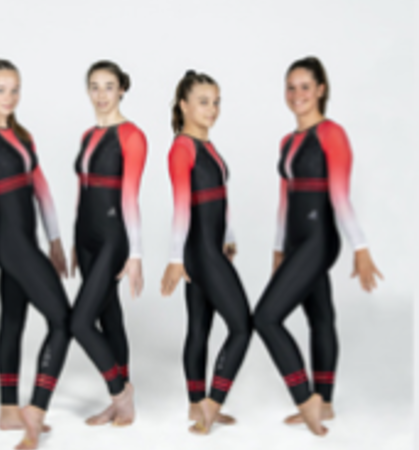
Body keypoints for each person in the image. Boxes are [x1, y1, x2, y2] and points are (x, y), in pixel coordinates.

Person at [253, 56, 384, 437]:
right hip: (296, 241)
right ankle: (324, 401)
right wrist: (278, 251)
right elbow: (284, 201)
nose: (297, 94)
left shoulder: (332, 134)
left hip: (320, 238)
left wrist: (360, 248)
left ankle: (305, 398)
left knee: (265, 317)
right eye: (291, 87)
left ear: (321, 90)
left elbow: (341, 197)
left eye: (305, 87)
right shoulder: (287, 141)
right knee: (320, 316)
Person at [0, 58, 71, 450]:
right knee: (63, 320)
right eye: (1, 89)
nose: (9, 97)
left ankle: (8, 409)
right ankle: (35, 411)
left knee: (12, 318)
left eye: (15, 89)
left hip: (28, 240)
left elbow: (42, 190)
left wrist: (54, 240)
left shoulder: (22, 135)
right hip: (8, 241)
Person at [161, 70, 252, 435]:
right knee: (242, 326)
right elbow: (182, 207)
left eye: (216, 102)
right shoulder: (182, 147)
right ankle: (212, 406)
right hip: (199, 251)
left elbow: (219, 198)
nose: (212, 109)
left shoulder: (208, 146)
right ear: (183, 105)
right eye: (203, 102)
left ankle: (196, 406)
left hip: (212, 248)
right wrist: (175, 259)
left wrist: (228, 235)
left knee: (199, 326)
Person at [69, 60, 147, 427]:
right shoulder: (87, 136)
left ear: (121, 90)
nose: (101, 94)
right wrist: (74, 239)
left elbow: (130, 197)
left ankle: (120, 392)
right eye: (95, 87)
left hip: (114, 237)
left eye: (109, 86)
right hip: (85, 235)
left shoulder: (132, 136)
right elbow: (82, 190)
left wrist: (136, 254)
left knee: (79, 322)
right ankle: (120, 404)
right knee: (108, 314)